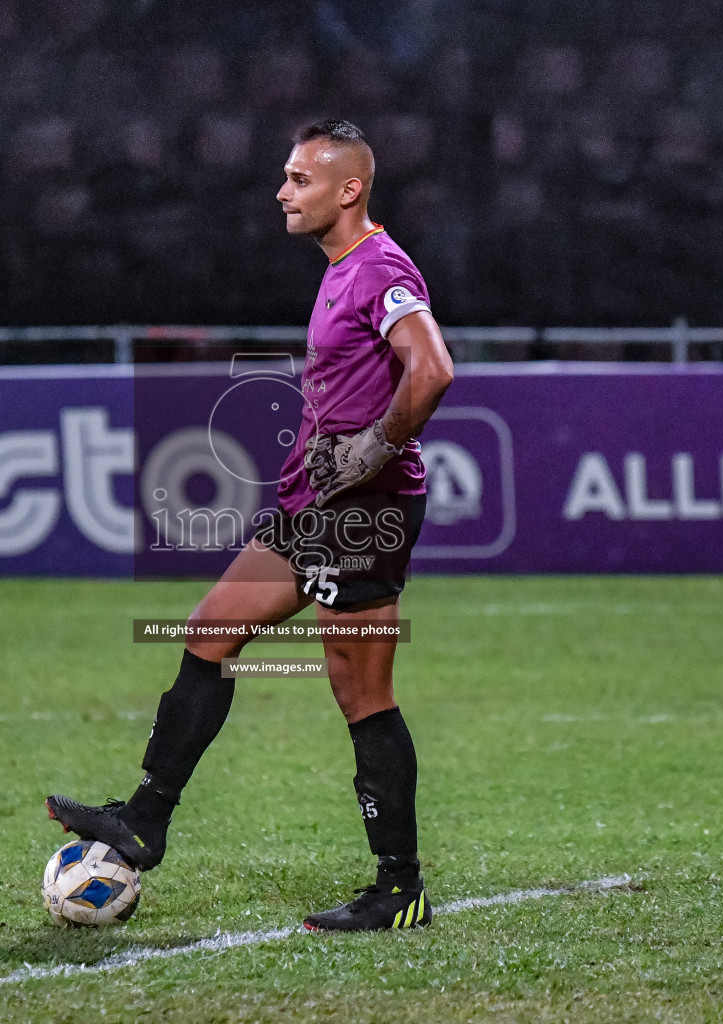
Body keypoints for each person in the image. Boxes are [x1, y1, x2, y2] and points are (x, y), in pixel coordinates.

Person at [46, 119, 454, 932]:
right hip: (315, 505)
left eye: (300, 178)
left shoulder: (380, 267)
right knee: (208, 632)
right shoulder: (342, 269)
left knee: (360, 691)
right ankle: (144, 818)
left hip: (362, 514)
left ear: (349, 189)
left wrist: (374, 449)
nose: (282, 191)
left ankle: (399, 887)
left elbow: (433, 367)